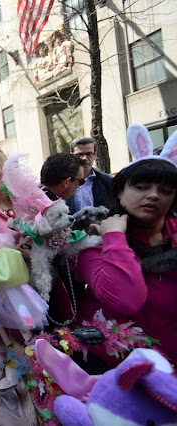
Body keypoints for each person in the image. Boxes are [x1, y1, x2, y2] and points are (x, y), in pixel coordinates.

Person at [77, 125, 177, 363]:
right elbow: (126, 299)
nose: (153, 195)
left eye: (165, 190)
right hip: (118, 376)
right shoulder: (94, 244)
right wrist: (114, 238)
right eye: (141, 187)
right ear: (120, 192)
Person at [67, 136, 114, 214]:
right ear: (71, 156)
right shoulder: (64, 182)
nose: (84, 158)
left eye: (89, 154)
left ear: (95, 155)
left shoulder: (107, 181)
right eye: (80, 154)